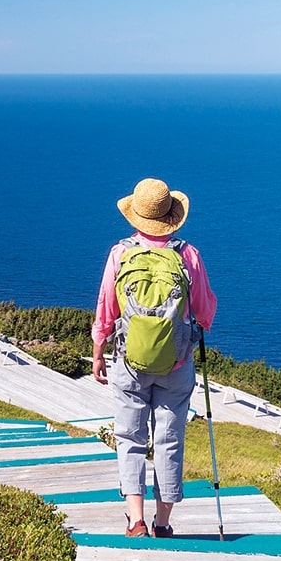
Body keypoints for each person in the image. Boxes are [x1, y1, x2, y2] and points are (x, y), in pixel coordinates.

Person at [92, 178, 217, 538]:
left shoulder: (121, 254)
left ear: (136, 216)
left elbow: (105, 310)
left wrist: (98, 352)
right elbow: (205, 312)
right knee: (169, 439)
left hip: (128, 361)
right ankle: (163, 523)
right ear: (171, 216)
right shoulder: (187, 255)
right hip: (176, 364)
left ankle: (136, 520)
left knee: (129, 437)